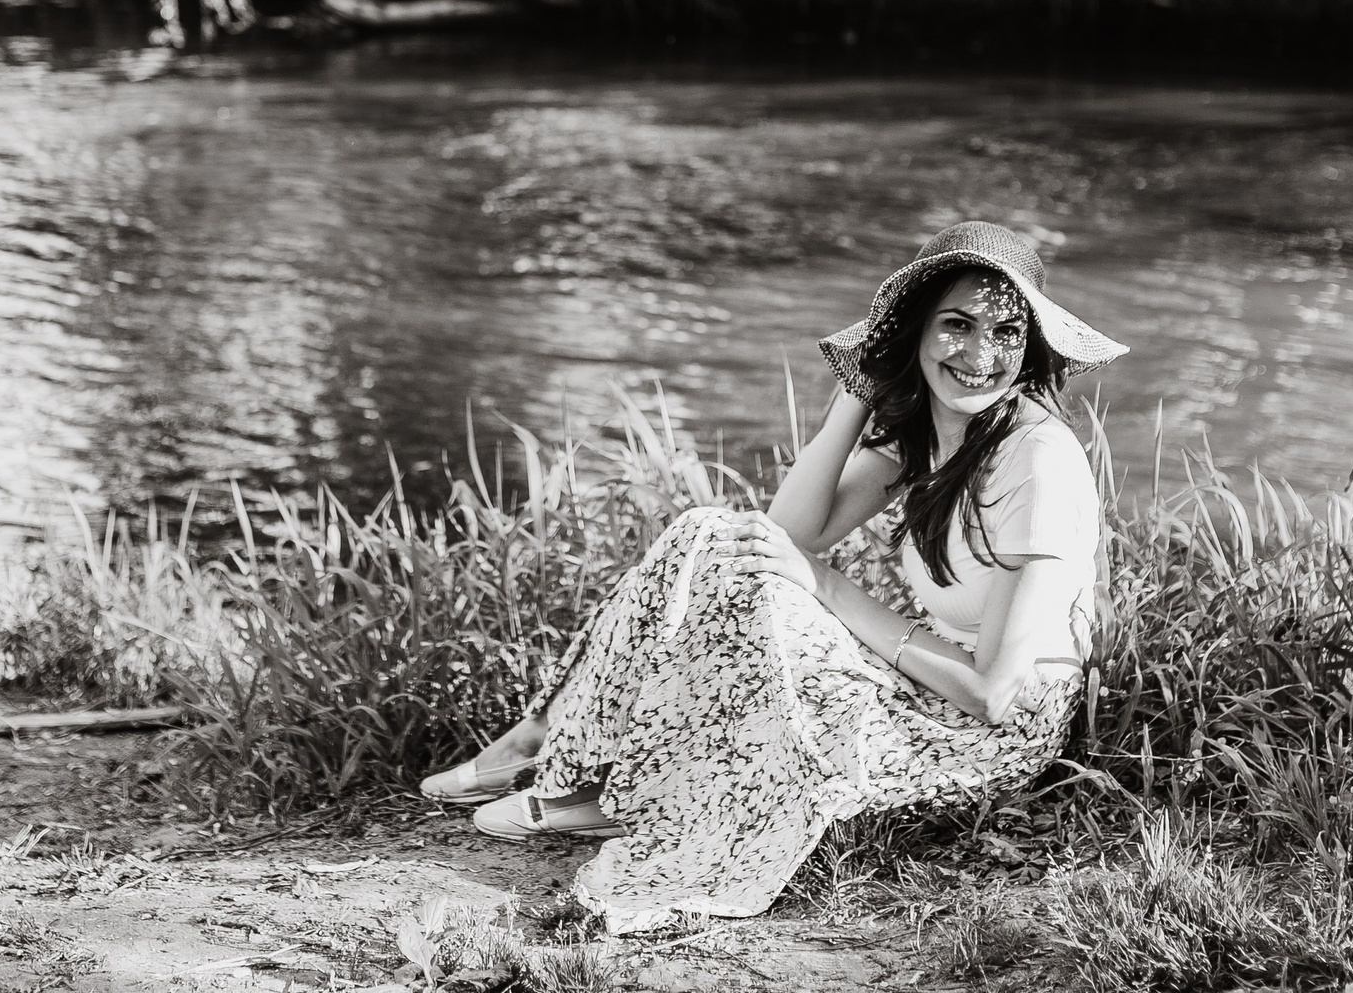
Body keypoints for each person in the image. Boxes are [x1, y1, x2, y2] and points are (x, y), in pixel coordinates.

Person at [417, 220, 1126, 933]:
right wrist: (861, 387)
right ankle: (548, 744)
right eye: (956, 325)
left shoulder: (1036, 457)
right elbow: (788, 533)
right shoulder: (935, 435)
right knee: (711, 536)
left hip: (984, 740)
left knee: (763, 580)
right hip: (931, 687)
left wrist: (824, 587)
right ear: (913, 334)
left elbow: (993, 692)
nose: (981, 354)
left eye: (1007, 332)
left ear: (1031, 346)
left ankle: (595, 780)